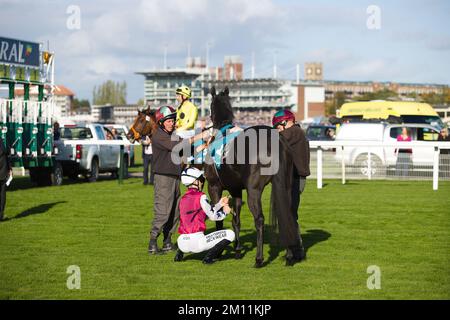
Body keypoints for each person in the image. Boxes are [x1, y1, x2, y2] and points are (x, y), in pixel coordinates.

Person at [174, 167, 235, 264]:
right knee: (231, 234)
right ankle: (208, 258)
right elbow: (213, 217)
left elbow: (201, 211)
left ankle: (179, 254)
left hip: (181, 242)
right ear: (195, 181)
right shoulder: (201, 196)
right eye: (201, 179)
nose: (202, 182)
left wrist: (219, 204)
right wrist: (225, 212)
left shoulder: (183, 198)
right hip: (197, 243)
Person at [272, 109, 310, 260]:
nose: (277, 130)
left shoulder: (295, 131)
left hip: (295, 179)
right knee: (289, 213)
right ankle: (293, 248)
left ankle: (296, 249)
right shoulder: (294, 132)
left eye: (278, 127)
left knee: (289, 214)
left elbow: (275, 138)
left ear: (286, 122)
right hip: (291, 178)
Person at [0, 137, 12, 221]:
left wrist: (9, 168)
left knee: (2, 194)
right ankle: (0, 215)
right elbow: (6, 153)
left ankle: (1, 215)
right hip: (3, 170)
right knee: (2, 194)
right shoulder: (1, 140)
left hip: (3, 170)